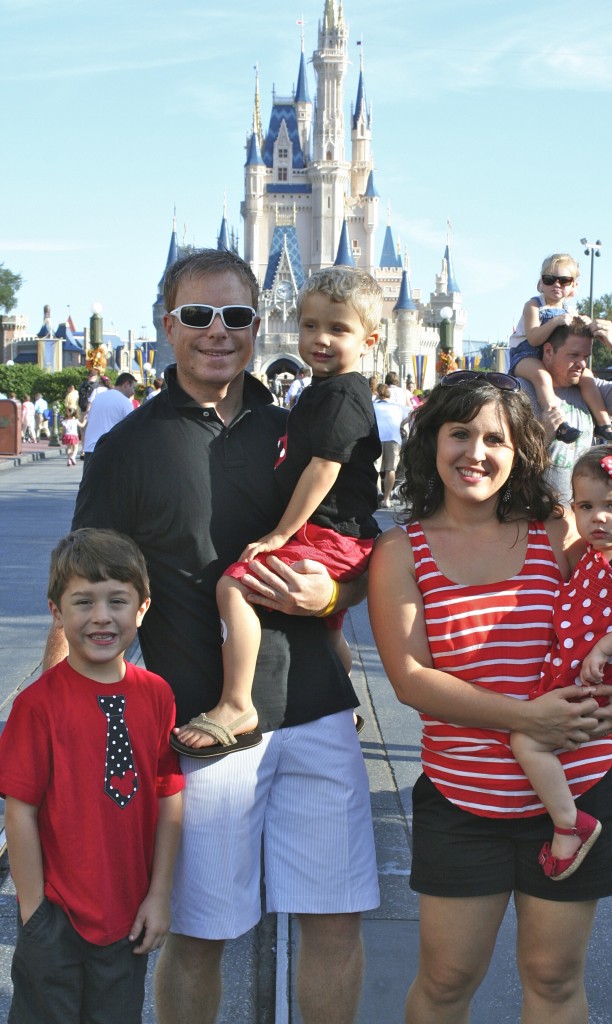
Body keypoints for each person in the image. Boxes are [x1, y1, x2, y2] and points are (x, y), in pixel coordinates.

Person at [42, 248, 379, 1024]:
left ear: (260, 325)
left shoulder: (298, 425)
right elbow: (86, 588)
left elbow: (361, 546)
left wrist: (335, 590)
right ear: (168, 326)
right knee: (200, 935)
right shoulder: (128, 448)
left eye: (236, 316)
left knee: (333, 922)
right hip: (202, 726)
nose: (218, 332)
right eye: (199, 316)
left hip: (318, 713)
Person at [367, 369, 612, 1024]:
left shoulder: (558, 531)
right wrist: (526, 718)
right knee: (445, 982)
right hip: (464, 802)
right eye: (459, 433)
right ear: (431, 442)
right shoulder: (401, 551)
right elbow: (412, 680)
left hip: (579, 793)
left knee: (554, 980)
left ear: (522, 448)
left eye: (495, 438)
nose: (476, 453)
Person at [173, 266, 381, 754]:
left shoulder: (344, 395)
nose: (320, 339)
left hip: (326, 534)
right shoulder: (321, 392)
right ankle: (342, 702)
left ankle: (236, 702)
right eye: (310, 326)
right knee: (328, 631)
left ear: (369, 341)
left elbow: (324, 470)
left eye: (338, 329)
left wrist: (282, 534)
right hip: (339, 535)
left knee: (234, 587)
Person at [0, 528, 184, 1024]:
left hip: (127, 913)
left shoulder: (158, 696)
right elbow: (20, 810)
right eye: (82, 602)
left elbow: (169, 797)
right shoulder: (37, 706)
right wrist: (35, 911)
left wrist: (160, 893)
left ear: (142, 608)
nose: (101, 616)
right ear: (57, 614)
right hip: (55, 915)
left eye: (117, 600)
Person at [509, 443, 612, 881]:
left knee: (527, 740)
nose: (597, 516)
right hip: (583, 668)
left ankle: (569, 824)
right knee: (529, 738)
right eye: (586, 505)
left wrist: (604, 648)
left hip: (599, 675)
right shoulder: (601, 556)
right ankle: (566, 819)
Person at [516, 316, 612, 505]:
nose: (582, 364)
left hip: (579, 519)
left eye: (586, 357)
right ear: (548, 351)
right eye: (573, 355)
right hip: (532, 515)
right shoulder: (520, 392)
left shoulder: (591, 389)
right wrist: (545, 434)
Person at [509, 254, 612, 445]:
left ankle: (603, 424)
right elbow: (534, 339)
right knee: (542, 376)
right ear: (540, 284)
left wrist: (587, 323)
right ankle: (558, 422)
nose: (556, 284)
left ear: (574, 287)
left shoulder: (570, 311)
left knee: (587, 376)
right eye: (549, 279)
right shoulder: (534, 305)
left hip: (554, 357)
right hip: (525, 355)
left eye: (564, 280)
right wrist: (555, 322)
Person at [82, 372, 136, 461]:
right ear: (126, 384)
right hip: (109, 450)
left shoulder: (98, 398)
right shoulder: (125, 402)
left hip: (90, 449)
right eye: (133, 387)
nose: (133, 392)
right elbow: (132, 429)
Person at [374, 382, 410, 508]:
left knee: (375, 469)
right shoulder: (397, 407)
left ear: (378, 394)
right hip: (393, 438)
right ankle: (387, 498)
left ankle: (378, 492)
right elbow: (412, 413)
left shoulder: (373, 406)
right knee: (391, 469)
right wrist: (401, 423)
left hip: (376, 438)